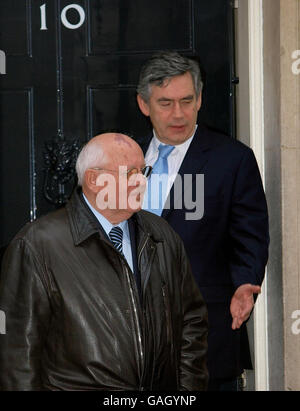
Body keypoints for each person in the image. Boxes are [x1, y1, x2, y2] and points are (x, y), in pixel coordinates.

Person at [0, 133, 208, 391]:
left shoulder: (161, 235)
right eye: (129, 173)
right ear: (95, 180)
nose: (141, 181)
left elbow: (192, 322)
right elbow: (18, 353)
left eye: (143, 171)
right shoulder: (37, 245)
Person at [136, 52, 269, 391]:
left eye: (186, 100)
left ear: (199, 100)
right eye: (165, 103)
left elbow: (250, 234)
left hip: (205, 336)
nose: (178, 113)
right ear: (144, 104)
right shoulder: (124, 157)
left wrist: (245, 282)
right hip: (131, 339)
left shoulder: (232, 159)